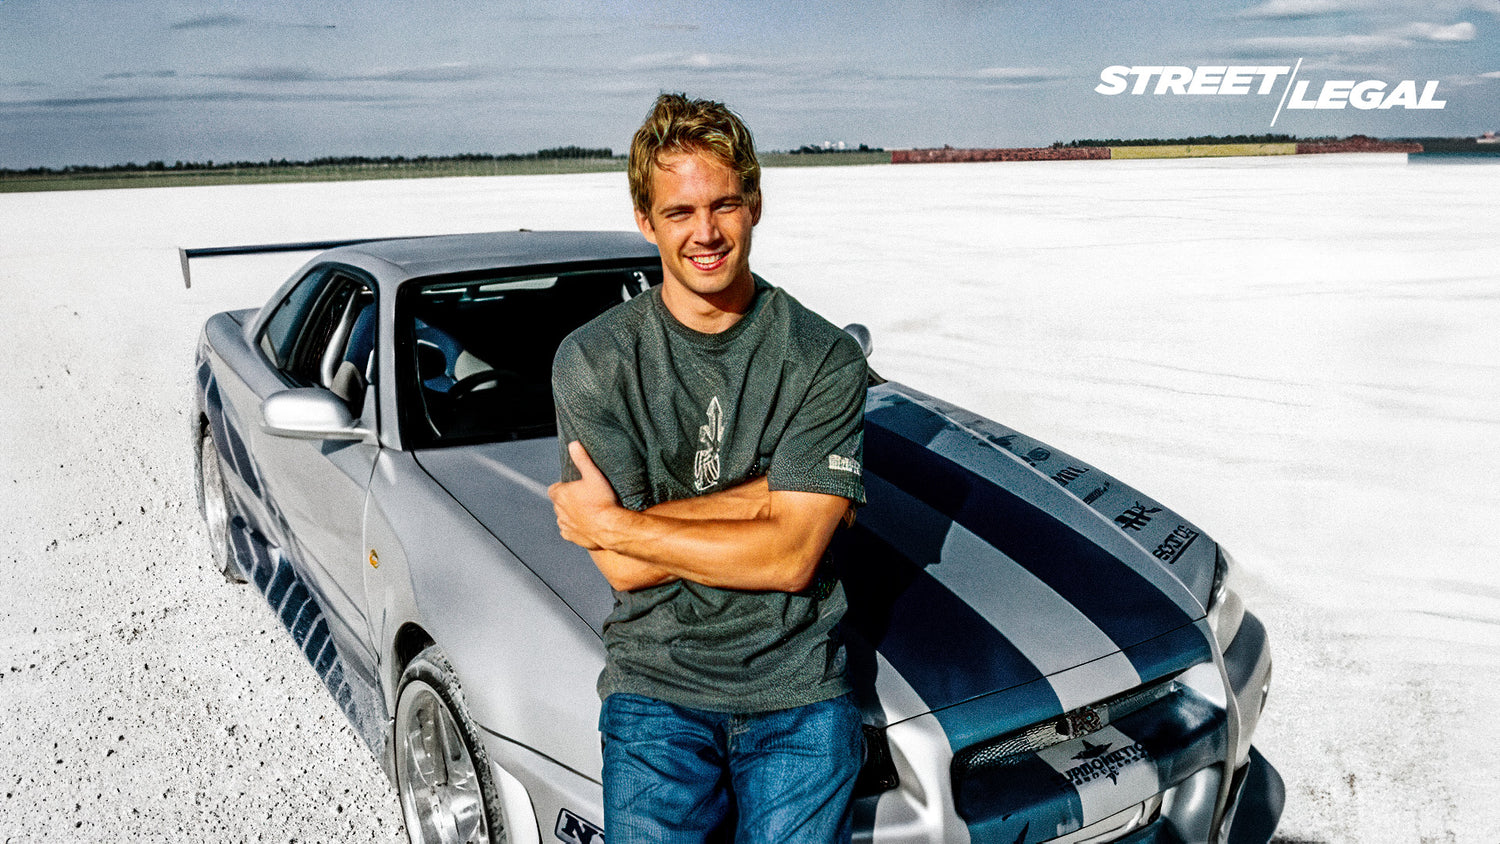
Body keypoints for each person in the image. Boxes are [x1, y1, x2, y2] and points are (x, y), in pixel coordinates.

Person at [548, 92, 869, 843]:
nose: (706, 233)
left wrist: (620, 523)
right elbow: (621, 571)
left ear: (756, 202)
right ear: (645, 219)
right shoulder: (594, 361)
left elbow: (791, 560)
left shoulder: (820, 356)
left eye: (725, 204)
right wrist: (772, 497)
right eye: (680, 212)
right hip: (656, 688)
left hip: (797, 691)